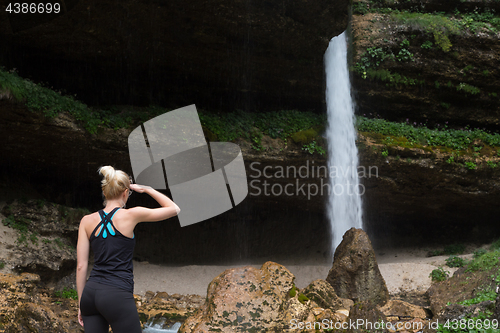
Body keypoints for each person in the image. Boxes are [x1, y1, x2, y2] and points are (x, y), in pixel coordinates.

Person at [76, 166, 180, 332]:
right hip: (116, 293)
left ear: (105, 191)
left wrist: (81, 303)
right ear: (125, 192)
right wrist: (148, 190)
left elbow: (81, 266)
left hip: (91, 293)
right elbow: (174, 209)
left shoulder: (86, 221)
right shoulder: (131, 215)